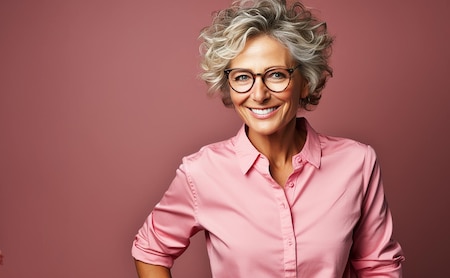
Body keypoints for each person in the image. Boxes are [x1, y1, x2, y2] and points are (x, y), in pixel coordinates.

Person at [131, 0, 405, 277]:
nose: (259, 94)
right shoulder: (201, 172)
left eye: (276, 75)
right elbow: (151, 250)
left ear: (306, 81)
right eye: (242, 77)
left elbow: (377, 265)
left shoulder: (357, 163)